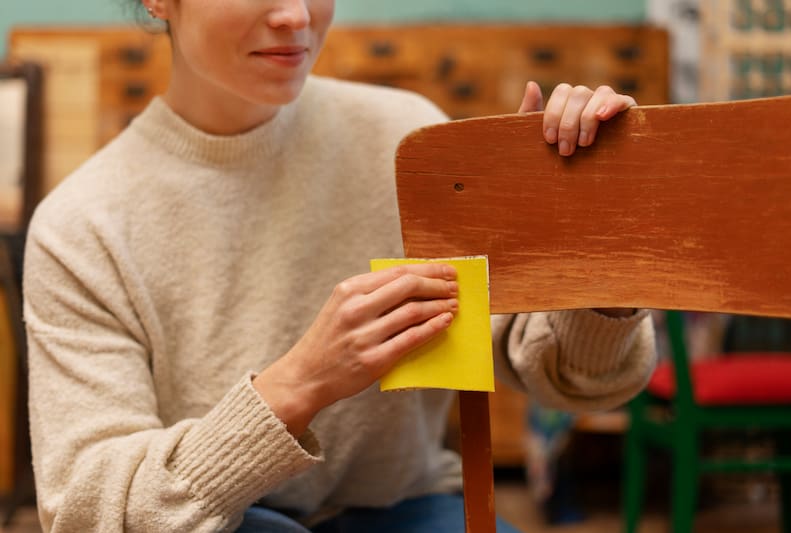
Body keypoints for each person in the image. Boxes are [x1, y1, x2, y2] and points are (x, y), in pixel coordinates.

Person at [22, 1, 656, 531]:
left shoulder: (403, 136)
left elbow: (567, 374)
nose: (296, 15)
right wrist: (299, 384)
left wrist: (588, 248)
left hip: (411, 510)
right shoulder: (83, 225)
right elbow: (87, 510)